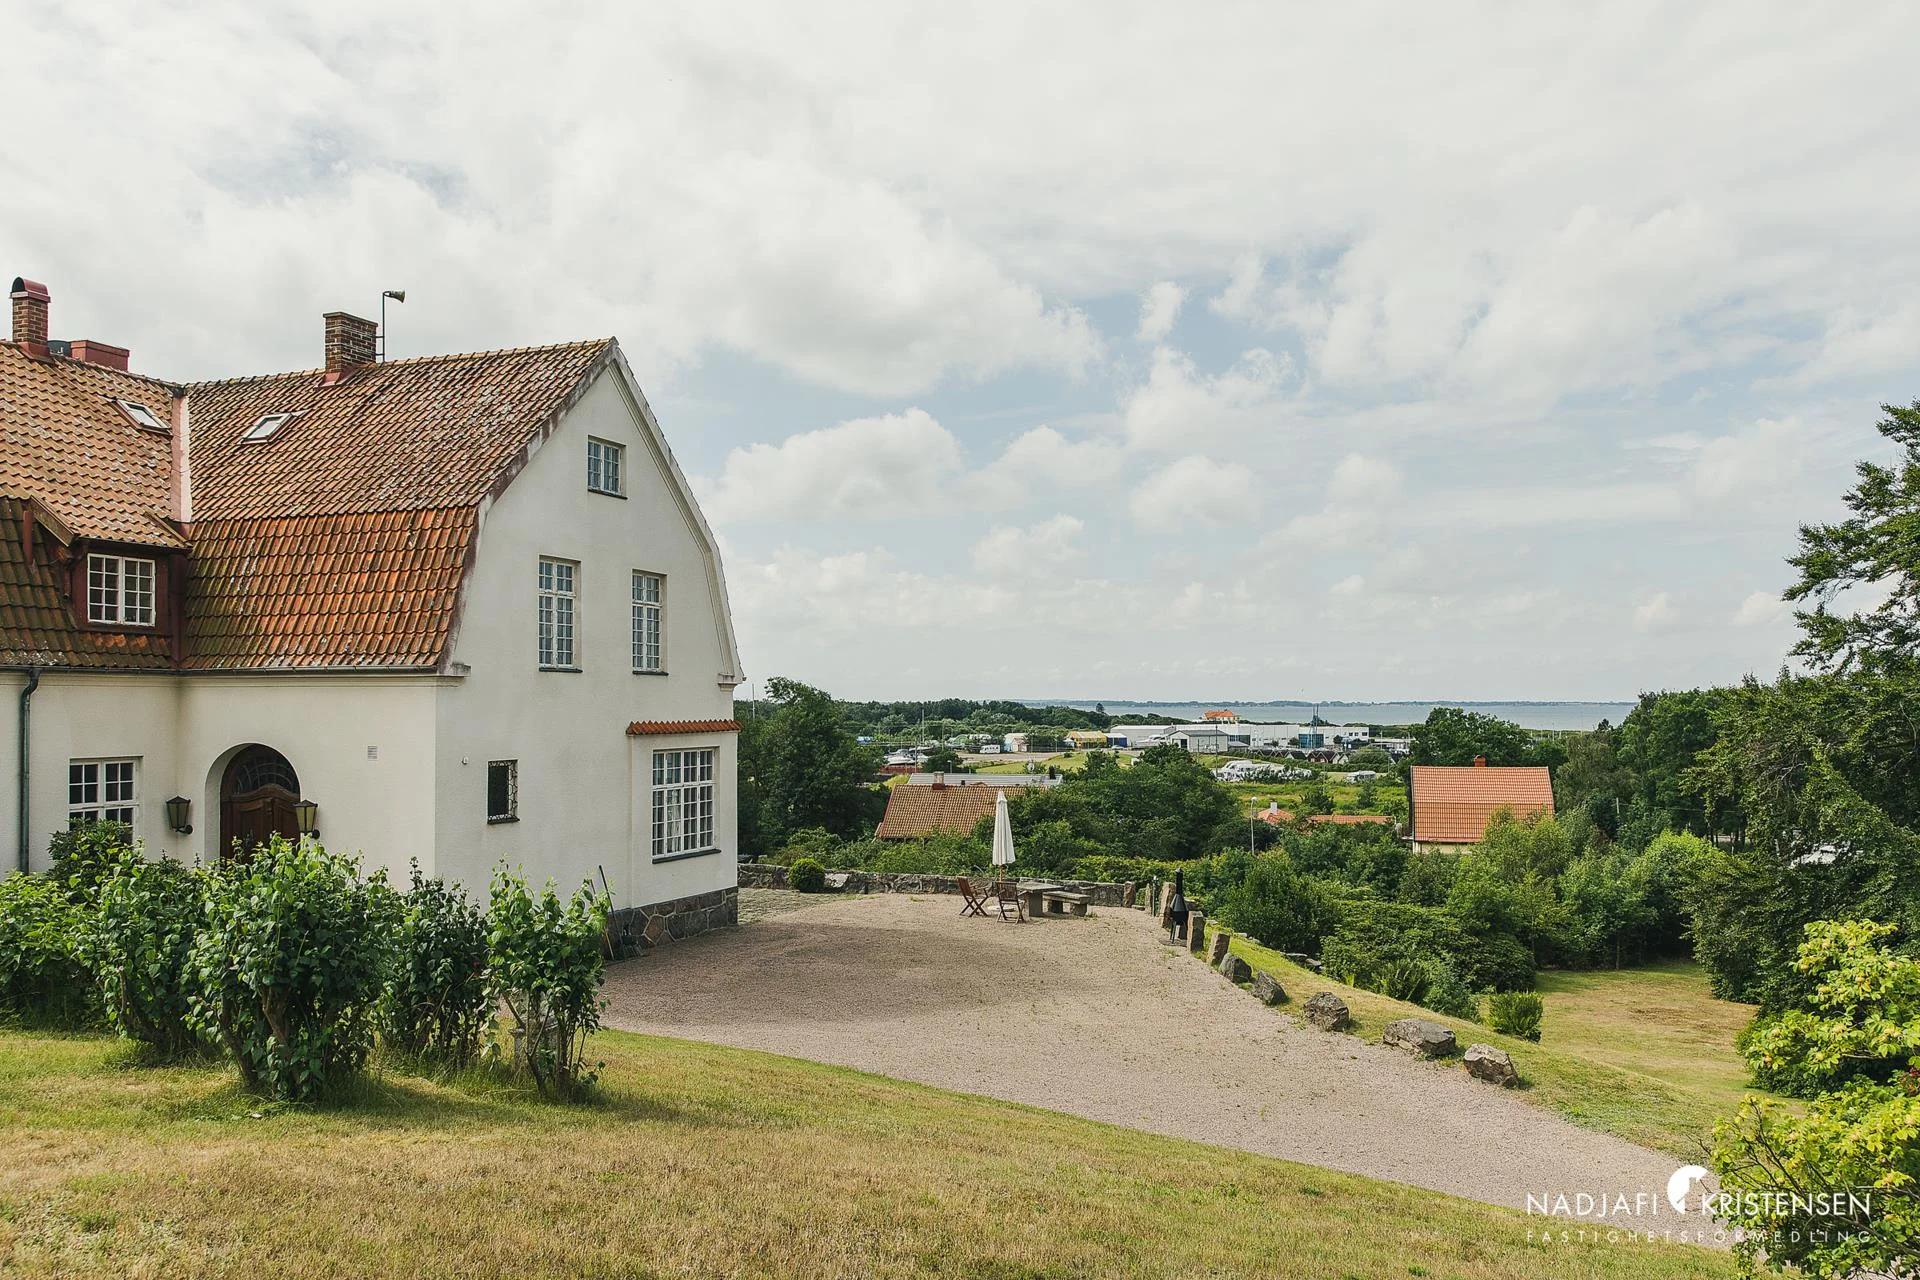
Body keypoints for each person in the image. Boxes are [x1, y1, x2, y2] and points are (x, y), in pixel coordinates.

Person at [1166, 869, 1189, 943]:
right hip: (1178, 906)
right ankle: (1172, 937)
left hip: (1177, 907)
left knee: (1178, 919)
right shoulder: (1177, 898)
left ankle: (1172, 938)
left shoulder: (1178, 899)